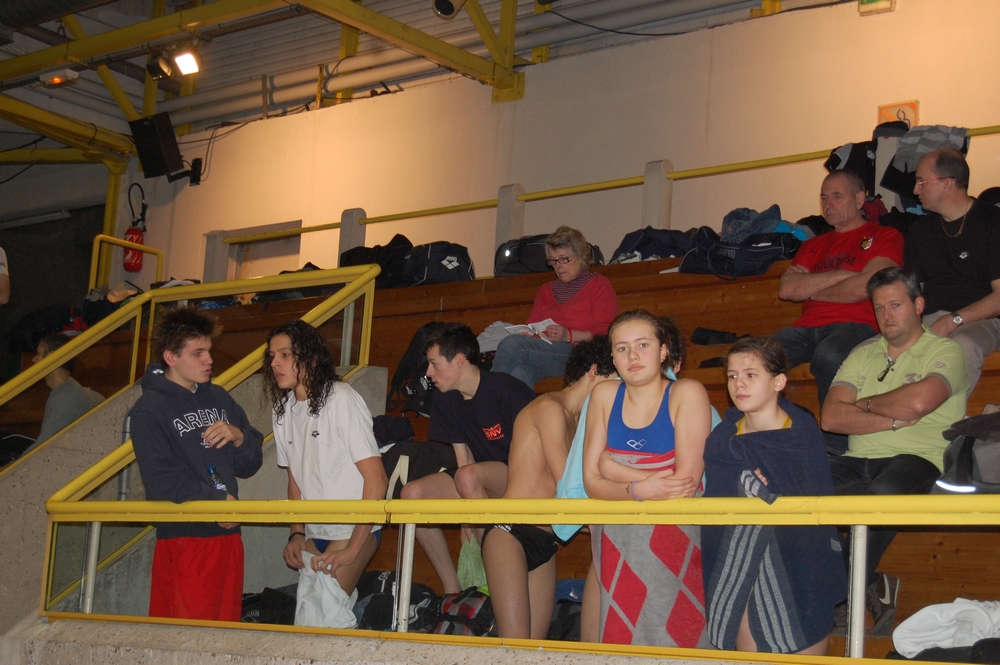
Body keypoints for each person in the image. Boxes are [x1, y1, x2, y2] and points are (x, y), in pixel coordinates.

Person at [821, 267, 968, 634]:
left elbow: (919, 402)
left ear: (918, 305)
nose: (886, 315)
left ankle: (841, 602)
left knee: (881, 498)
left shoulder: (946, 350)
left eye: (895, 305)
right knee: (799, 497)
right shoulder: (862, 353)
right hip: (857, 460)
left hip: (919, 459)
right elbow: (832, 417)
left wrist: (864, 404)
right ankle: (872, 584)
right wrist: (892, 420)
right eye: (879, 307)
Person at [702, 337, 846, 655]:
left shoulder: (802, 433)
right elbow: (718, 499)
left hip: (800, 566)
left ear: (778, 382)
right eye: (732, 375)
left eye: (751, 375)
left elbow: (811, 496)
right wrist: (746, 480)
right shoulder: (722, 439)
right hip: (743, 570)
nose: (738, 384)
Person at [583, 310, 712, 648]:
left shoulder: (687, 392)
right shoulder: (603, 395)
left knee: (679, 639)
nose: (633, 356)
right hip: (619, 540)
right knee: (622, 641)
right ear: (613, 358)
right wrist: (641, 488)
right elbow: (591, 482)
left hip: (675, 537)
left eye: (643, 345)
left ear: (663, 350)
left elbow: (683, 486)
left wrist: (616, 472)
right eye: (622, 348)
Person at [131, 306, 264, 621]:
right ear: (171, 357)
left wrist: (239, 437)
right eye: (198, 353)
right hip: (186, 536)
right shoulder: (150, 408)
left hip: (228, 534)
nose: (209, 360)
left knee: (224, 630)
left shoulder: (219, 398)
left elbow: (250, 464)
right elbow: (161, 480)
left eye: (209, 351)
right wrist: (216, 500)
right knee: (188, 635)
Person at [482, 336, 616, 639]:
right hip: (510, 533)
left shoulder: (582, 424)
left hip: (545, 540)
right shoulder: (548, 407)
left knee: (534, 649)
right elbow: (567, 485)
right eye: (614, 382)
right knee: (514, 645)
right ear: (594, 371)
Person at [265, 320, 388, 628]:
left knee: (325, 619)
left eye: (284, 355)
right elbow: (295, 480)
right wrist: (296, 532)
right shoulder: (282, 411)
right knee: (307, 622)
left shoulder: (340, 398)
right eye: (272, 356)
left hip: (352, 528)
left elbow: (377, 479)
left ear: (310, 357)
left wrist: (353, 549)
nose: (275, 363)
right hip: (314, 532)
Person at [772, 170, 904, 452]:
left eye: (836, 196)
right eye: (823, 197)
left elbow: (867, 286)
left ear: (859, 200)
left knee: (830, 354)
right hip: (806, 328)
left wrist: (812, 288)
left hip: (857, 326)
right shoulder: (812, 245)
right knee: (758, 357)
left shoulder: (884, 236)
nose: (827, 204)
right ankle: (767, 438)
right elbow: (788, 289)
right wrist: (843, 275)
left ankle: (837, 450)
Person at [400, 323, 535, 593]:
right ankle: (453, 589)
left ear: (459, 360)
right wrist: (467, 517)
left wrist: (477, 513)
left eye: (434, 364)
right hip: (476, 478)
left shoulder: (508, 391)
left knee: (469, 476)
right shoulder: (445, 399)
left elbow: (533, 458)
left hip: (522, 475)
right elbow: (463, 459)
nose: (428, 373)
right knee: (411, 495)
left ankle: (498, 575)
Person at [905, 147, 1000, 394]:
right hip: (932, 319)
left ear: (947, 184)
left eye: (921, 182)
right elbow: (913, 294)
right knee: (876, 349)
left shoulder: (993, 222)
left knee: (960, 345)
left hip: (983, 320)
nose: (915, 190)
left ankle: (946, 417)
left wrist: (954, 319)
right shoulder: (919, 231)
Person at [492, 226, 617, 388]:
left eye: (563, 259)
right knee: (519, 372)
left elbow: (607, 334)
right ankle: (516, 405)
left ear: (580, 256)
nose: (558, 266)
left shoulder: (598, 285)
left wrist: (568, 335)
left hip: (580, 355)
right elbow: (532, 326)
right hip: (546, 353)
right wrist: (529, 333)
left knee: (512, 344)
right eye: (553, 260)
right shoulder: (545, 290)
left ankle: (487, 397)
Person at [23, 333, 104, 452]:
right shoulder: (66, 391)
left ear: (51, 358)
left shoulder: (65, 397)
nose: (33, 359)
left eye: (39, 354)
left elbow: (42, 448)